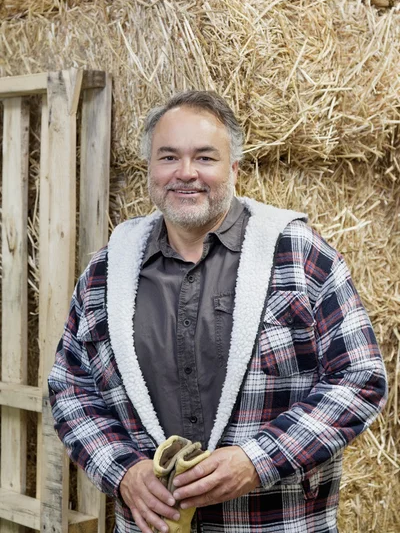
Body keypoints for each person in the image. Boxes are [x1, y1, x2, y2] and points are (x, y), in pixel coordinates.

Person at [49, 90, 387, 533]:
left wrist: (257, 459)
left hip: (275, 523)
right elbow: (70, 388)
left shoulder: (300, 256)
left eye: (204, 158)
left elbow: (360, 378)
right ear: (150, 170)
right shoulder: (106, 271)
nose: (185, 173)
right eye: (168, 157)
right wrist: (123, 471)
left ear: (235, 169)